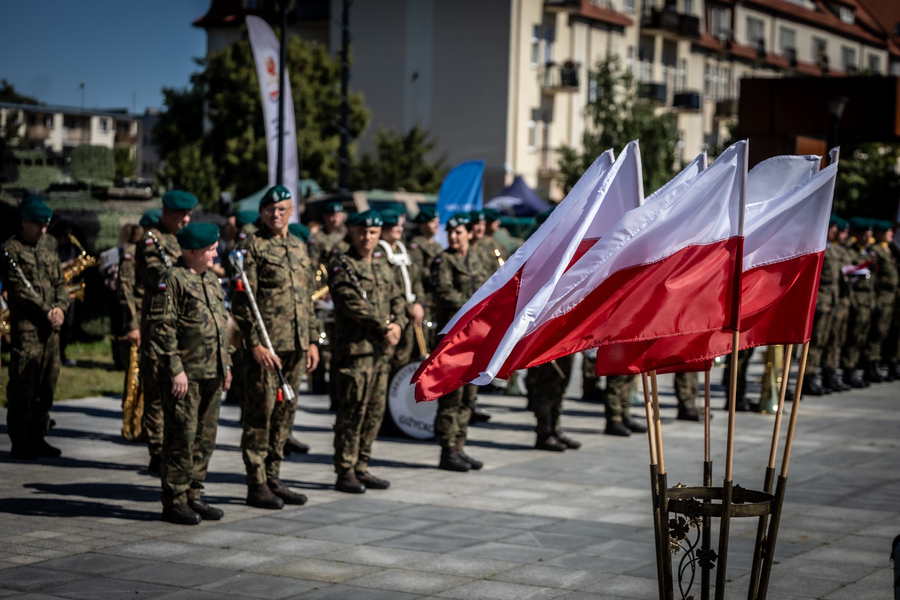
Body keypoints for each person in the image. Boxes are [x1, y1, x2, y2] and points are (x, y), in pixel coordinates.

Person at [231, 185, 320, 509]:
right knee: (260, 415)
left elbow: (307, 300)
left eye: (282, 208)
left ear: (291, 210)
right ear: (262, 213)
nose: (276, 214)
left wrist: (311, 339)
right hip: (268, 348)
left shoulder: (298, 247)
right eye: (270, 209)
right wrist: (253, 343)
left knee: (285, 414)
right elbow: (242, 302)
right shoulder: (251, 247)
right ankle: (256, 484)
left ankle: (273, 476)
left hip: (295, 344)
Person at [148, 222, 232, 525]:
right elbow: (162, 328)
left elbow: (220, 326)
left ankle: (194, 494)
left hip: (212, 372)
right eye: (211, 249)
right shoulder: (173, 280)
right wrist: (175, 370)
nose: (216, 253)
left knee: (204, 439)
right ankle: (174, 500)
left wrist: (227, 366)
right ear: (193, 251)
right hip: (186, 376)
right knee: (180, 439)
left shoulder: (210, 280)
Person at [329, 210, 407, 493]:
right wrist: (382, 327)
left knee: (374, 411)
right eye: (363, 232)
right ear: (353, 232)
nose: (368, 237)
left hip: (380, 352)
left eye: (373, 233)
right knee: (353, 411)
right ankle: (345, 469)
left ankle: (361, 465)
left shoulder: (383, 263)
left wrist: (398, 323)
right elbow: (350, 302)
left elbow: (398, 297)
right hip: (356, 351)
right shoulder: (342, 264)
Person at [135, 191, 198, 474]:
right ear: (166, 212)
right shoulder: (152, 240)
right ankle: (157, 452)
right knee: (157, 392)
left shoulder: (184, 238)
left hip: (184, 327)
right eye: (180, 214)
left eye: (189, 215)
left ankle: (176, 449)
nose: (186, 219)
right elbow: (159, 275)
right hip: (158, 325)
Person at [3, 198, 69, 459]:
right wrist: (47, 311)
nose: (43, 230)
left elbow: (60, 282)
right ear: (24, 222)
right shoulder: (11, 249)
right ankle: (20, 442)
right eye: (38, 225)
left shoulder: (50, 243)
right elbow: (20, 291)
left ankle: (38, 436)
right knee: (23, 385)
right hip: (29, 328)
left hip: (52, 328)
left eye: (46, 225)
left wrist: (61, 307)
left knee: (47, 383)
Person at [432, 212, 489, 471]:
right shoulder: (443, 259)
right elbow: (444, 291)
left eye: (459, 232)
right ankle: (447, 449)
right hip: (452, 337)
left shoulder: (478, 258)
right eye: (451, 232)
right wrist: (473, 308)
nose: (454, 237)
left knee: (468, 395)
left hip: (476, 336)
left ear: (469, 234)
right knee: (451, 395)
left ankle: (460, 445)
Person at [378, 209, 425, 379]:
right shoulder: (378, 252)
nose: (399, 229)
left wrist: (419, 303)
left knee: (405, 359)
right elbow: (389, 285)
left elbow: (416, 279)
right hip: (391, 314)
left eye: (400, 226)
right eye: (394, 226)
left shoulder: (402, 249)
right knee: (390, 360)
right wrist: (408, 306)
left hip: (410, 313)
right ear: (383, 229)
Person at [804, 215, 843, 395]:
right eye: (832, 228)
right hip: (820, 299)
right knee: (815, 341)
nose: (835, 231)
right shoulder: (816, 247)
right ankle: (808, 378)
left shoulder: (832, 249)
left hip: (831, 300)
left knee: (826, 340)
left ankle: (817, 375)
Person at [841, 217, 875, 388]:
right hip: (852, 300)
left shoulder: (866, 252)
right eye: (866, 234)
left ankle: (853, 370)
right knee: (850, 338)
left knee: (861, 337)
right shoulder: (848, 251)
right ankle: (846, 370)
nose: (868, 238)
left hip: (866, 301)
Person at [525, 355, 581, 451]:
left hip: (567, 343)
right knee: (547, 386)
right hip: (549, 345)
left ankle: (554, 429)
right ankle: (544, 433)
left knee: (560, 386)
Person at [865, 220, 898, 382]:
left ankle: (882, 364)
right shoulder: (875, 251)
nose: (892, 234)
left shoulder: (888, 249)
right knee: (877, 333)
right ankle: (871, 365)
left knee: (886, 333)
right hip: (882, 297)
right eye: (888, 231)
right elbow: (874, 279)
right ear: (879, 233)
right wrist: (874, 300)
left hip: (892, 297)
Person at [407, 206, 441, 353]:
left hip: (437, 300)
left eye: (437, 220)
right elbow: (417, 274)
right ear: (422, 224)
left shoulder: (438, 246)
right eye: (432, 221)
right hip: (425, 299)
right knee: (424, 345)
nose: (436, 224)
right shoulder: (416, 244)